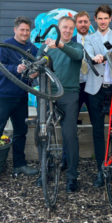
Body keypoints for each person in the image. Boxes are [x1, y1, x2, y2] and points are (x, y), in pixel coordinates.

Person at [0, 16, 39, 192]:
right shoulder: (4, 46)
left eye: (27, 30)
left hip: (21, 96)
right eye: (22, 30)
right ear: (15, 30)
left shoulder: (32, 48)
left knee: (21, 132)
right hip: (2, 97)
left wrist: (34, 73)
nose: (25, 33)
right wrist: (16, 69)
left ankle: (19, 164)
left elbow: (36, 66)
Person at [36, 16, 83, 193]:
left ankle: (72, 176)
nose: (68, 30)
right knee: (43, 133)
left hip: (69, 94)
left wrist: (60, 45)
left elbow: (77, 55)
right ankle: (44, 171)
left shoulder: (77, 46)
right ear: (58, 28)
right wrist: (31, 72)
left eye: (71, 28)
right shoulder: (46, 46)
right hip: (47, 93)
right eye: (65, 27)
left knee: (70, 135)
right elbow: (37, 65)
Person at [83, 4, 112, 189]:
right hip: (95, 90)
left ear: (110, 19)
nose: (102, 21)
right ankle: (102, 171)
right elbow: (88, 56)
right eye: (99, 18)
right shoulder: (89, 38)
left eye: (105, 18)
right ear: (96, 19)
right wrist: (95, 58)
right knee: (97, 132)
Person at [60, 11, 93, 172]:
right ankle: (65, 160)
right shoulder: (69, 41)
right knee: (69, 126)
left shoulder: (95, 39)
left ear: (89, 23)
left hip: (92, 86)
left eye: (85, 22)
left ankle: (101, 164)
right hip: (75, 86)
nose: (82, 24)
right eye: (79, 22)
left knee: (97, 125)